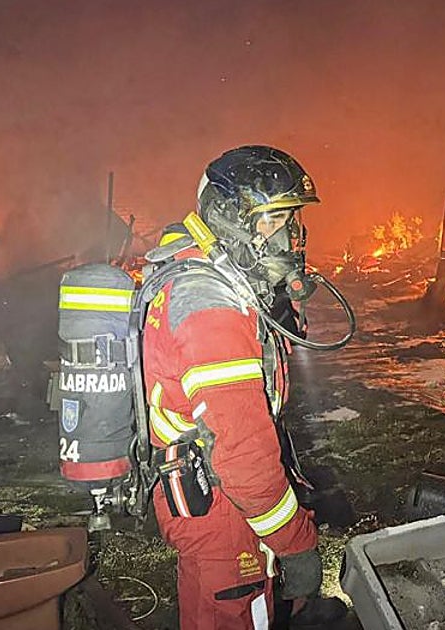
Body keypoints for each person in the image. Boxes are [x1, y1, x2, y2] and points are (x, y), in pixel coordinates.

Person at [140, 145, 347, 629]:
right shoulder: (209, 307)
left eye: (291, 221)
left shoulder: (209, 274)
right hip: (221, 508)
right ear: (230, 218)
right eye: (273, 220)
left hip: (213, 493)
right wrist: (296, 544)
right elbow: (244, 457)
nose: (288, 237)